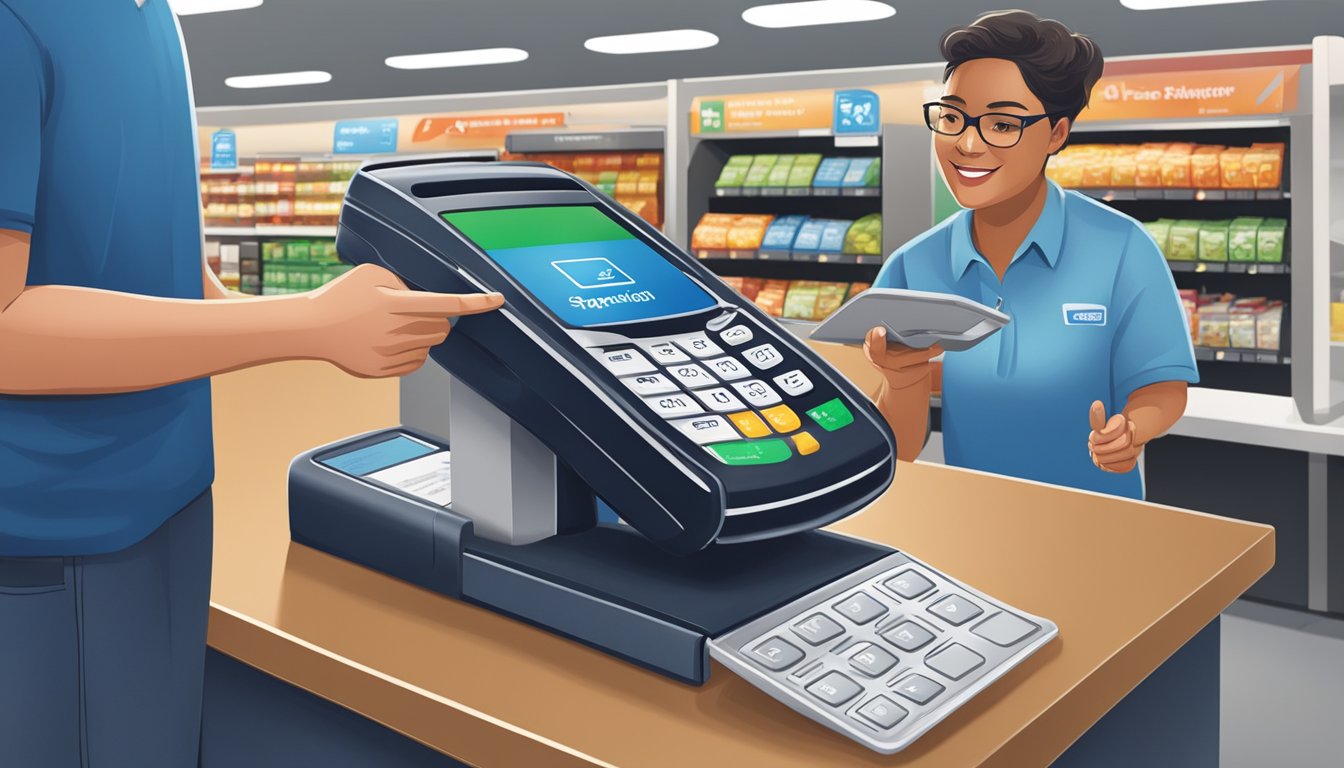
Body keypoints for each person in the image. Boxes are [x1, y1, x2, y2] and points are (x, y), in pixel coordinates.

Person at [0, 1, 502, 765]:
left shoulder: (154, 17)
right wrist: (306, 324)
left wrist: (316, 321)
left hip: (174, 495)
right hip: (60, 523)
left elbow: (165, 268)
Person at [866, 10, 1197, 499]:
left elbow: (1163, 386)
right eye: (953, 117)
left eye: (1002, 124)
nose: (967, 143)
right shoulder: (912, 266)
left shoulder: (1122, 247)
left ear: (1057, 134)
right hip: (977, 527)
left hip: (1103, 529)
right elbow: (903, 447)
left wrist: (1131, 429)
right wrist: (903, 379)